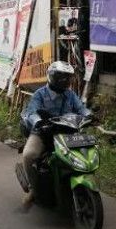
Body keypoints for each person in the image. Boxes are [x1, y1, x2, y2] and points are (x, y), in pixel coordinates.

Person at [20, 61, 92, 210]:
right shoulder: (40, 94)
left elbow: (81, 109)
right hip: (43, 133)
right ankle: (34, 189)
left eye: (67, 77)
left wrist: (90, 116)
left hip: (66, 133)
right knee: (28, 155)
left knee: (83, 155)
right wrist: (38, 121)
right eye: (61, 77)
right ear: (52, 77)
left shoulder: (70, 95)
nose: (65, 81)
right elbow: (31, 112)